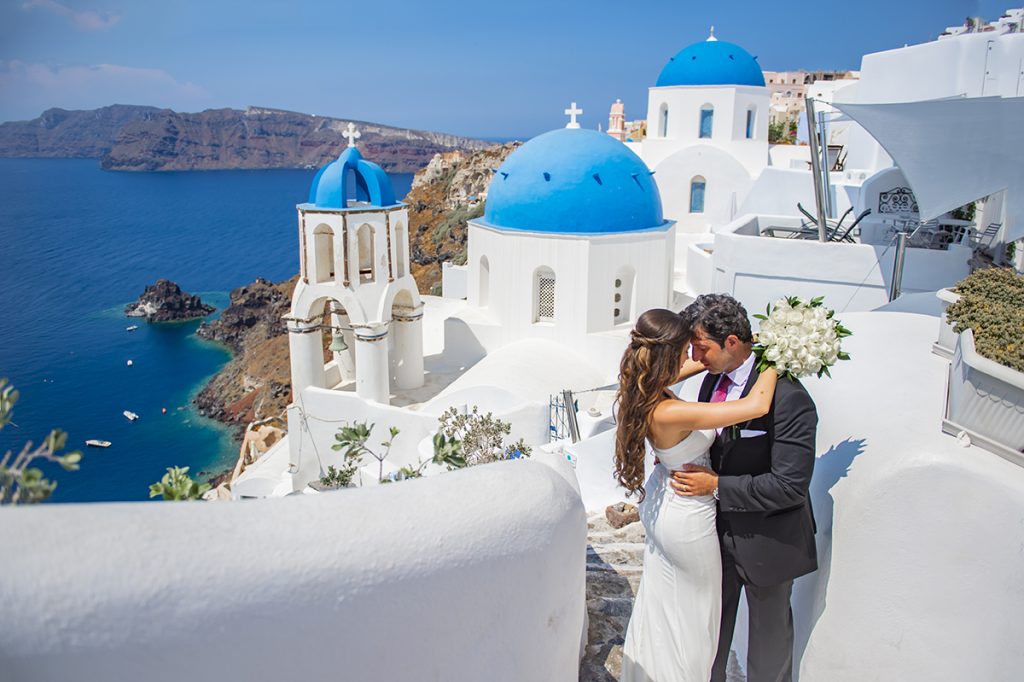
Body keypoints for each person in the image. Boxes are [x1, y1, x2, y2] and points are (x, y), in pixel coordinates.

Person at [616, 308, 779, 682]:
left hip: (664, 501)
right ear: (668, 354)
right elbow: (756, 406)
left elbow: (694, 369)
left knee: (663, 609)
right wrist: (775, 354)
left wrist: (714, 358)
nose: (694, 357)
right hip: (686, 516)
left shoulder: (640, 383)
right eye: (687, 349)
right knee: (693, 619)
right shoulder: (670, 411)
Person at [673, 294, 818, 682]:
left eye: (701, 347)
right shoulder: (708, 381)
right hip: (714, 538)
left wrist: (716, 485)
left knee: (769, 652)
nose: (694, 356)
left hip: (770, 540)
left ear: (733, 343)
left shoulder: (788, 398)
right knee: (710, 640)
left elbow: (790, 486)